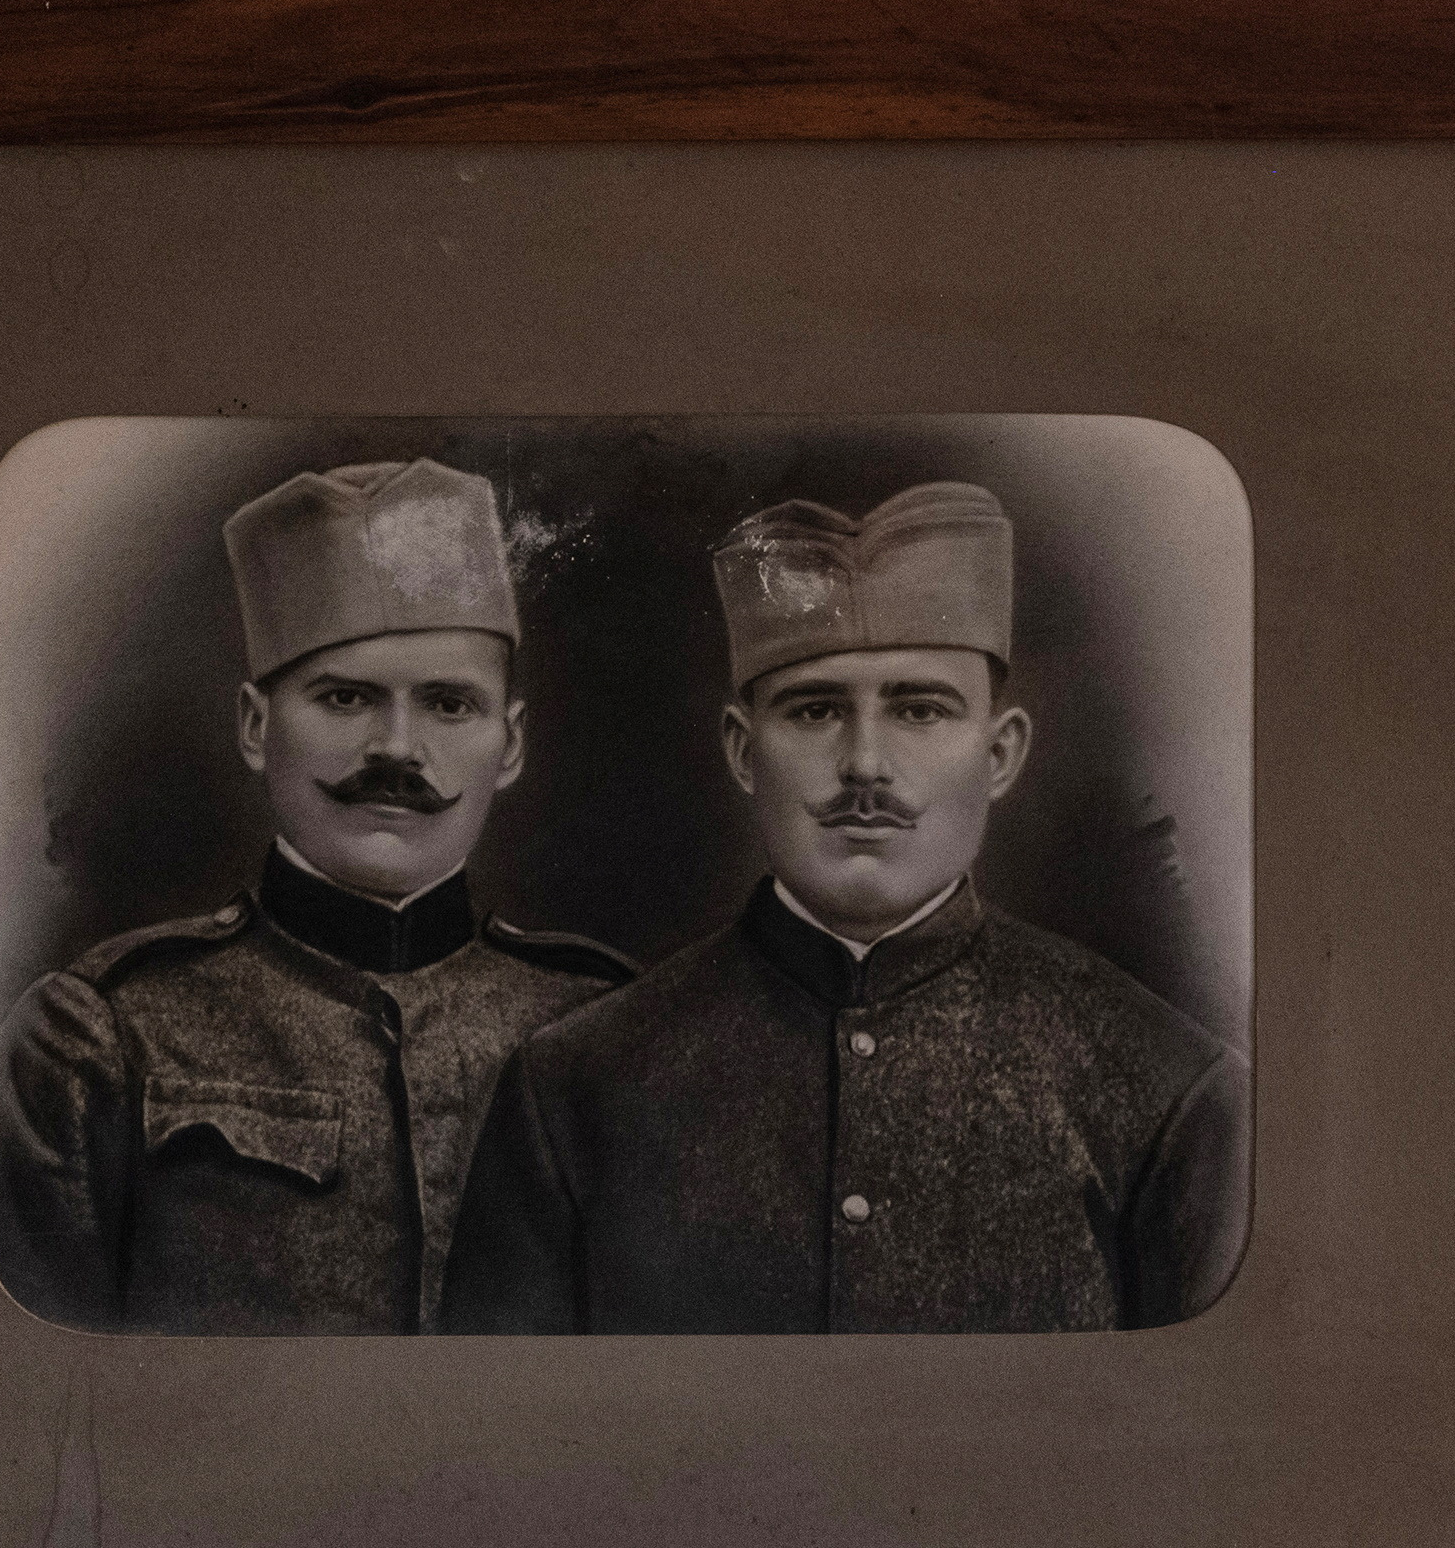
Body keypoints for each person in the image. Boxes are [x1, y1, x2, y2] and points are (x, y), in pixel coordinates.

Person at [438, 479, 1246, 1335]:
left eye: (920, 708)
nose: (865, 763)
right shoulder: (574, 1090)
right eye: (817, 708)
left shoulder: (1170, 1092)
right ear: (745, 751)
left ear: (1001, 752)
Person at [0, 459, 625, 1332]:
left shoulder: (611, 1032)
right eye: (346, 696)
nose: (397, 748)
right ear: (256, 724)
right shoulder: (98, 1040)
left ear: (508, 745)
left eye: (447, 703)